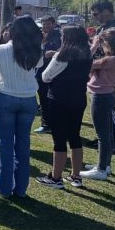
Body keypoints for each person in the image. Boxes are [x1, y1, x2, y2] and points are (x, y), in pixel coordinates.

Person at [0, 16, 43, 198]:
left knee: (6, 144)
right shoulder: (37, 52)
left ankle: (4, 186)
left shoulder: (0, 50)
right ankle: (21, 189)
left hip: (6, 98)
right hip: (29, 99)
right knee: (23, 145)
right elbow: (36, 70)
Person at [36, 26, 93, 188]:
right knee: (75, 136)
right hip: (78, 99)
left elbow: (45, 77)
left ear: (67, 38)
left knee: (59, 139)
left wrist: (54, 57)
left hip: (59, 99)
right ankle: (76, 176)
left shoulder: (62, 56)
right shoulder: (88, 54)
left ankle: (56, 177)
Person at [80, 29, 115, 181]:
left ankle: (101, 169)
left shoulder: (112, 60)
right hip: (106, 96)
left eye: (102, 43)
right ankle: (105, 164)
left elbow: (85, 62)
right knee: (106, 134)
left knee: (102, 136)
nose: (101, 46)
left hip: (101, 98)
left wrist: (93, 47)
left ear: (108, 43)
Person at [34, 16, 62, 134]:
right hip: (41, 71)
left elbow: (65, 50)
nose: (46, 27)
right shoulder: (41, 35)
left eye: (48, 24)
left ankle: (49, 124)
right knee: (44, 98)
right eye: (44, 24)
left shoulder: (58, 36)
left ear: (54, 24)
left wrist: (55, 53)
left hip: (53, 72)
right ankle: (47, 123)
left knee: (50, 99)